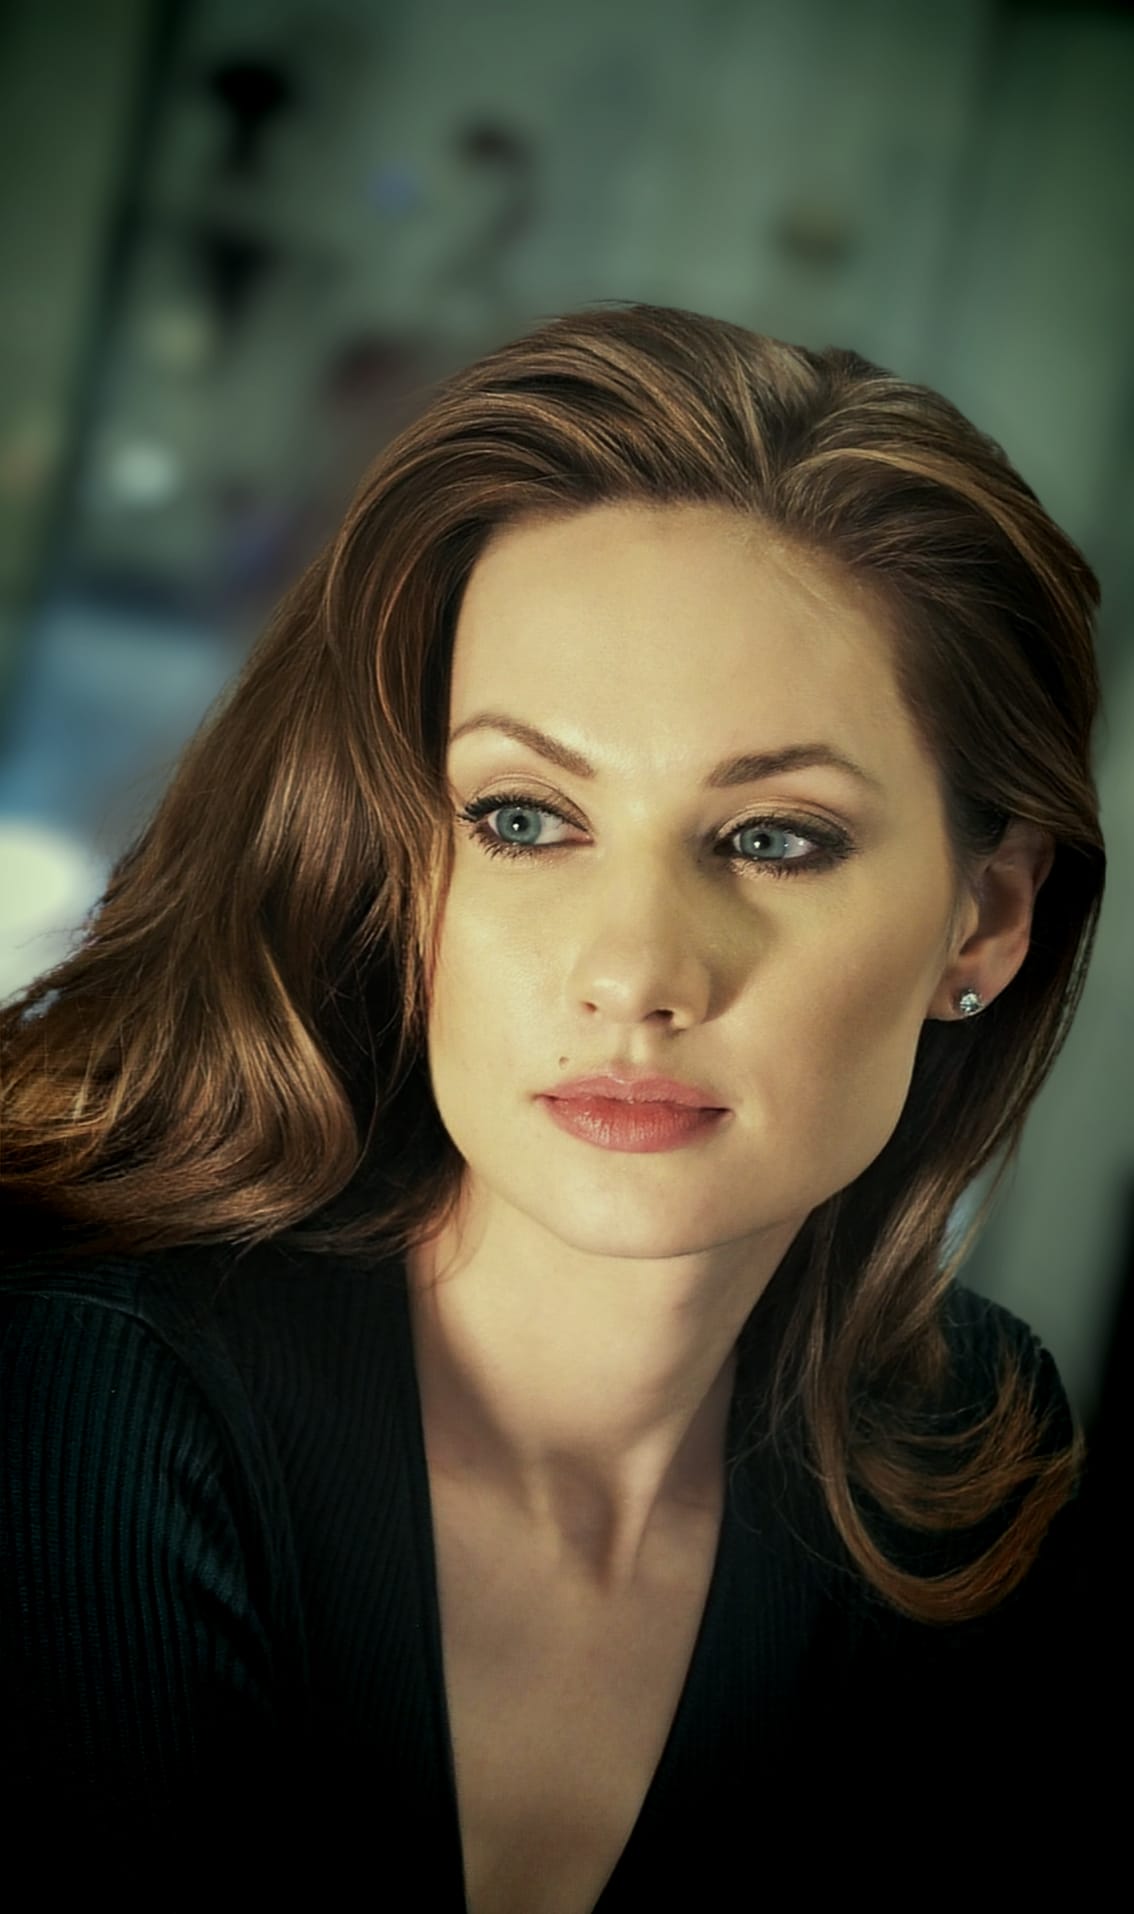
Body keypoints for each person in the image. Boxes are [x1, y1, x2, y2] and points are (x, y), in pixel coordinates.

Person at [0, 301, 1106, 1898]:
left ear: (982, 920)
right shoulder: (86, 1397)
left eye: (774, 838)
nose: (633, 972)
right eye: (523, 818)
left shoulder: (971, 1463)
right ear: (397, 870)